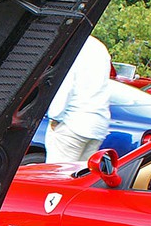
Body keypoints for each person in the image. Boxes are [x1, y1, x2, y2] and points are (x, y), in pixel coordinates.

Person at [45, 35, 112, 163]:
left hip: (72, 123)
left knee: (56, 175)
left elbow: (66, 86)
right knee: (81, 177)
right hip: (98, 124)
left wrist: (54, 117)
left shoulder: (75, 47)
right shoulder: (99, 47)